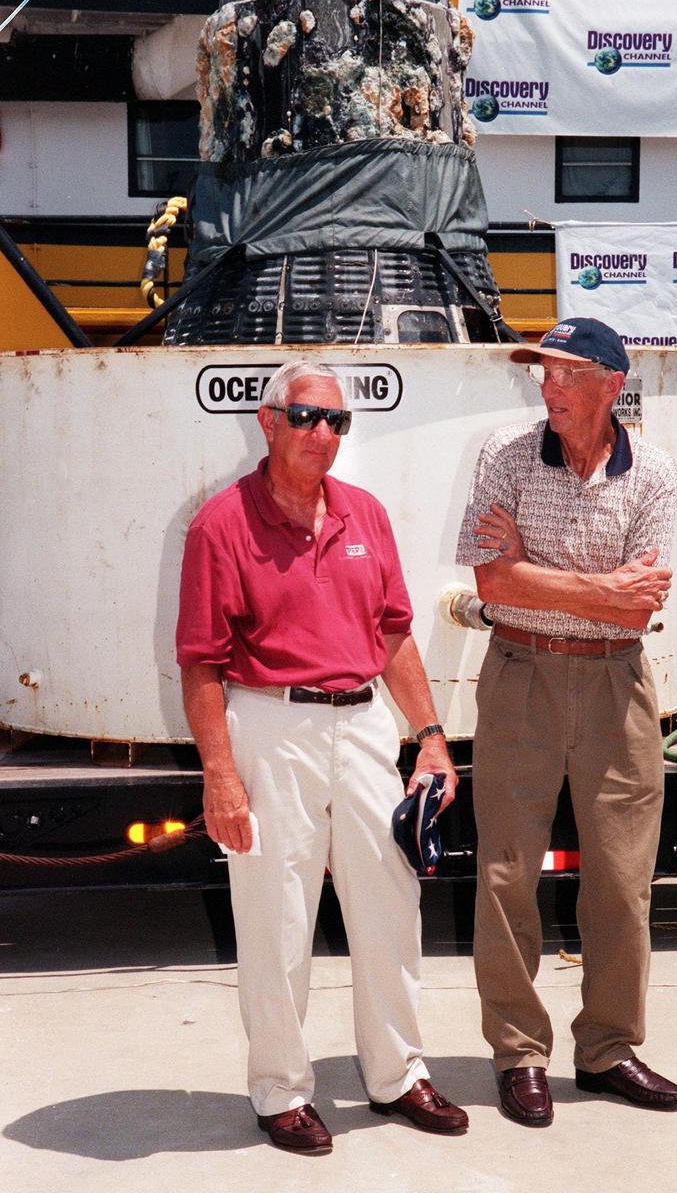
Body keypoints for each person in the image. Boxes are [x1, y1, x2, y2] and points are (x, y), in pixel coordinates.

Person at [177, 360, 468, 1153]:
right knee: (275, 916)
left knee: (389, 902)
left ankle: (397, 1075)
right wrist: (221, 775)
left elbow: (394, 632)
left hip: (366, 723)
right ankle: (279, 1090)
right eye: (305, 418)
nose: (322, 434)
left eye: (336, 421)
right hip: (271, 728)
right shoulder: (221, 525)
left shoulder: (364, 515)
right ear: (268, 422)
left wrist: (431, 736)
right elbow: (200, 660)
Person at [455, 317, 677, 1126]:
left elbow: (644, 600)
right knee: (507, 874)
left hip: (617, 686)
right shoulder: (504, 456)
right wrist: (591, 590)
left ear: (609, 386)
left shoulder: (653, 472)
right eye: (540, 373)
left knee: (621, 882)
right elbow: (490, 576)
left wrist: (531, 573)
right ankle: (518, 1053)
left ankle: (608, 1050)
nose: (545, 387)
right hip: (518, 676)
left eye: (562, 373)